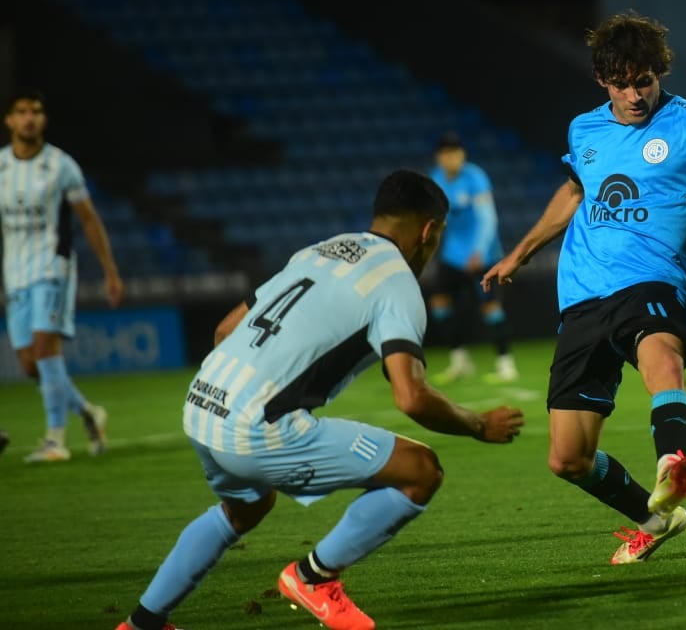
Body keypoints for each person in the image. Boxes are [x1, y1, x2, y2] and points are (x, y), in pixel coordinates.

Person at [115, 170, 525, 630]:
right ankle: (314, 578)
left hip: (201, 402)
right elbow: (411, 398)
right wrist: (478, 425)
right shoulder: (397, 284)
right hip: (257, 426)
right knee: (420, 471)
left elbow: (225, 330)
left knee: (244, 508)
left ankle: (142, 623)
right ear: (429, 231)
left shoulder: (319, 250)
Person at [483, 10, 686, 566]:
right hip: (582, 293)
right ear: (602, 79)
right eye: (621, 84)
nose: (635, 94)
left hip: (655, 279)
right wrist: (520, 252)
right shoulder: (584, 130)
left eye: (643, 81)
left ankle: (673, 462)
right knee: (568, 458)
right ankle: (655, 518)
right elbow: (575, 192)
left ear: (659, 72)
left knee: (661, 357)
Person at [1, 88, 123, 463]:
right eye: (22, 111)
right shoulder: (1, 166)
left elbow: (88, 218)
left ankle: (55, 440)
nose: (29, 118)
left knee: (44, 349)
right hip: (15, 272)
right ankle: (88, 412)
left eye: (35, 111)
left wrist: (110, 271)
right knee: (29, 365)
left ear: (43, 120)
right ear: (9, 120)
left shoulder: (61, 165)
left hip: (52, 267)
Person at [426, 131, 519, 385]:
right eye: (447, 154)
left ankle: (506, 364)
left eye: (456, 153)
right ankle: (460, 360)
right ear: (439, 157)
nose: (452, 158)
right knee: (440, 304)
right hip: (452, 255)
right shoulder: (436, 179)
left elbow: (487, 218)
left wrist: (478, 250)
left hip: (483, 254)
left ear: (463, 155)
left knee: (490, 308)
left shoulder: (475, 177)